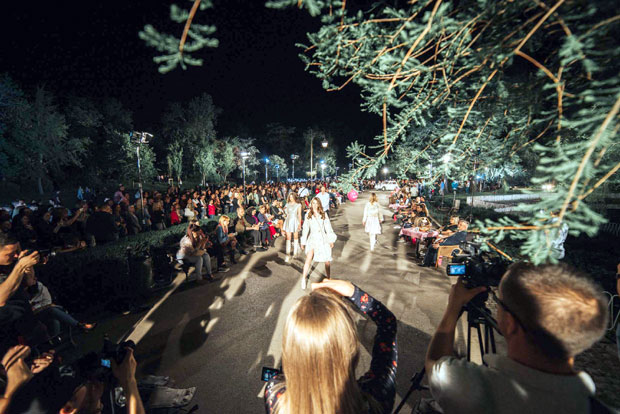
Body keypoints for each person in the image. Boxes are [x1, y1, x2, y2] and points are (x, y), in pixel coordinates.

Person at [425, 263, 609, 414]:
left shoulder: (473, 387)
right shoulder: (599, 409)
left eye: (500, 302)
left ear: (510, 323)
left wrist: (454, 307)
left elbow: (435, 362)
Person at [264, 279, 397, 414]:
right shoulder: (376, 397)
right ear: (352, 351)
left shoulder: (276, 397)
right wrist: (354, 292)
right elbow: (388, 323)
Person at [299, 198, 337, 290]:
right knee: (309, 258)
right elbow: (305, 229)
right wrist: (303, 242)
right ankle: (303, 278)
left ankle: (328, 279)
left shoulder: (323, 213)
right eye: (313, 203)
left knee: (327, 260)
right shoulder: (308, 214)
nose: (315, 205)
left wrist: (331, 240)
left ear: (319, 204)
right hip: (313, 239)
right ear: (311, 204)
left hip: (323, 239)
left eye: (316, 203)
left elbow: (328, 227)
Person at [283, 193, 302, 263]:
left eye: (292, 197)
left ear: (294, 197)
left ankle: (295, 253)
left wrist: (300, 224)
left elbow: (299, 215)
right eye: (290, 197)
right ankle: (287, 255)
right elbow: (284, 211)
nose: (291, 198)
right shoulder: (287, 204)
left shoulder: (298, 205)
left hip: (295, 221)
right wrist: (284, 213)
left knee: (295, 237)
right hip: (288, 221)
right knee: (288, 238)